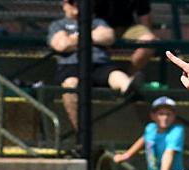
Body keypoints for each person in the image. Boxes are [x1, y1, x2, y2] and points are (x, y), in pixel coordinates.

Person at [49, 0, 138, 132]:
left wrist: (74, 38)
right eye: (72, 2)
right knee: (70, 84)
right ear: (64, 4)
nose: (76, 5)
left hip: (99, 65)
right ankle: (81, 132)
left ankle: (129, 90)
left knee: (117, 75)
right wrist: (91, 36)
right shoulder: (58, 25)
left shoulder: (98, 22)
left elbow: (108, 36)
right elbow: (61, 45)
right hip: (71, 67)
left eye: (80, 2)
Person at [93, 0, 157, 75]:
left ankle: (127, 77)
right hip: (99, 27)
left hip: (127, 27)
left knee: (149, 41)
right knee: (86, 38)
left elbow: (144, 14)